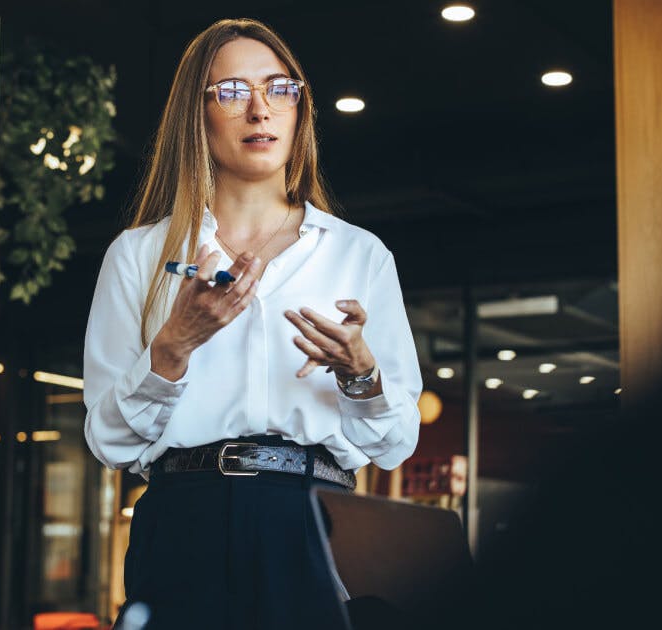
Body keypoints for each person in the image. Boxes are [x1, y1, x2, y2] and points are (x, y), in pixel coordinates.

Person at [83, 18, 422, 630]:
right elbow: (108, 441)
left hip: (312, 520)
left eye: (280, 88)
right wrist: (171, 349)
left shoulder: (358, 254)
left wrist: (360, 375)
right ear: (198, 113)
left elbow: (394, 443)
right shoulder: (139, 255)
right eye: (233, 92)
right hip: (181, 516)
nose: (260, 108)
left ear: (300, 108)